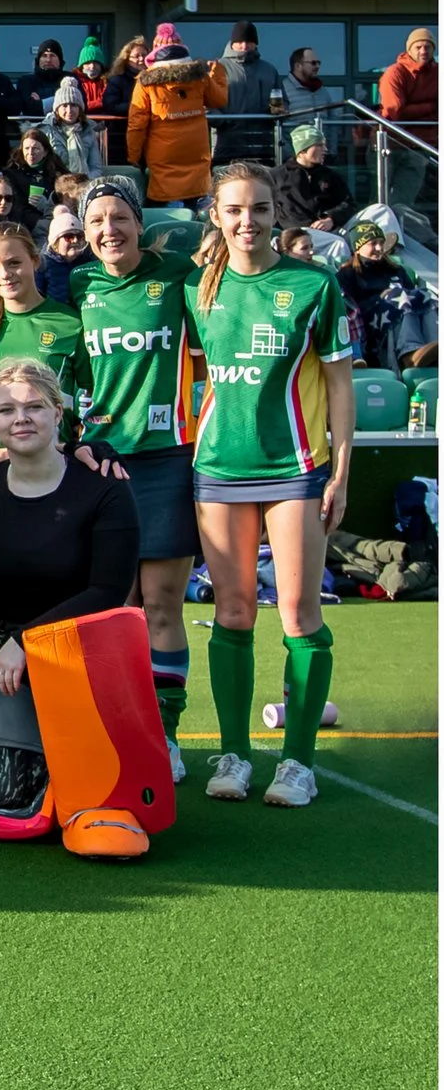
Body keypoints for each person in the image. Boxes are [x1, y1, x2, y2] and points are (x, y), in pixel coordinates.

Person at [186, 163, 356, 809]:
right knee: (231, 613)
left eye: (258, 209)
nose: (247, 221)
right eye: (234, 210)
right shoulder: (197, 289)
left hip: (296, 471)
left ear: (275, 214)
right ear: (216, 216)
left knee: (297, 615)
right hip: (219, 471)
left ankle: (298, 763)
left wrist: (341, 471)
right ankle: (233, 755)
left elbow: (340, 384)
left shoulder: (313, 285)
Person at [0, 358, 141, 834]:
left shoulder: (104, 486)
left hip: (81, 655)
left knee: (94, 790)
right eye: (6, 410)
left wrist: (28, 641)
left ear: (57, 413)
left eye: (34, 407)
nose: (21, 418)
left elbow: (109, 591)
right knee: (12, 800)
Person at [68, 177, 203, 778]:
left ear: (138, 222)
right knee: (117, 607)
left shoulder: (177, 274)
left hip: (168, 457)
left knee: (163, 602)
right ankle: (121, 728)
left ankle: (166, 736)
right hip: (102, 464)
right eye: (95, 222)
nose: (108, 231)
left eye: (118, 217)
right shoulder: (78, 284)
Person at [0, 222, 86, 451]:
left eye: (14, 263)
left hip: (53, 463)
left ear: (35, 261)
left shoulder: (71, 323)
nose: (5, 274)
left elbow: (88, 403)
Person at [125, 29, 227, 210]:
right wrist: (217, 73)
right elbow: (219, 100)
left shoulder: (146, 82)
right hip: (197, 148)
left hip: (163, 152)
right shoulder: (199, 77)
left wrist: (133, 155)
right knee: (200, 199)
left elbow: (137, 124)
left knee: (170, 203)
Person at [337, 217, 440, 372]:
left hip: (398, 310)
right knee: (399, 298)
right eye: (373, 243)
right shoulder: (348, 274)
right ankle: (409, 354)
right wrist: (381, 297)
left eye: (381, 242)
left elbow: (414, 294)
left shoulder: (396, 269)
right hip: (371, 323)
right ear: (358, 247)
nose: (379, 248)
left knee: (425, 297)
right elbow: (349, 309)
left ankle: (435, 345)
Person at [215, 21, 288, 164]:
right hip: (227, 145)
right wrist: (222, 121)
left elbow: (283, 100)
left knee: (264, 185)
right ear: (232, 43)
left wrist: (279, 111)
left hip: (264, 146)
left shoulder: (268, 70)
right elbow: (207, 104)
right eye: (240, 41)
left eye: (249, 41)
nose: (244, 46)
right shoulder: (218, 68)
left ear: (256, 43)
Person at [274, 126, 356, 233]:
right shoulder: (277, 176)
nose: (325, 150)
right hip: (297, 235)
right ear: (303, 150)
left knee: (380, 210)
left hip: (332, 230)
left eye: (324, 145)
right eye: (319, 145)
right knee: (337, 244)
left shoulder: (331, 175)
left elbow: (349, 204)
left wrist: (331, 218)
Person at [43, 84, 105, 179]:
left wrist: (84, 182)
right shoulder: (46, 131)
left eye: (73, 105)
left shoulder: (88, 131)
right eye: (64, 106)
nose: (69, 110)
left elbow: (96, 168)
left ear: (80, 109)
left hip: (84, 183)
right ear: (57, 109)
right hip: (56, 184)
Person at [38, 204, 91, 304]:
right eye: (69, 236)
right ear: (55, 242)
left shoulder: (89, 263)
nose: (75, 240)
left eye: (79, 236)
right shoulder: (42, 265)